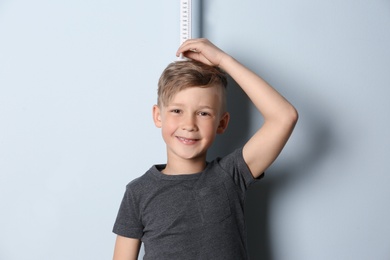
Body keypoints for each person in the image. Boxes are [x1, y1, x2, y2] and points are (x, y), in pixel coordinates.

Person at [112, 38, 298, 260]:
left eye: (203, 113)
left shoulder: (231, 175)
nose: (189, 125)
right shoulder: (138, 192)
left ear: (222, 123)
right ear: (157, 115)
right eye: (177, 111)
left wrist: (222, 60)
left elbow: (284, 117)